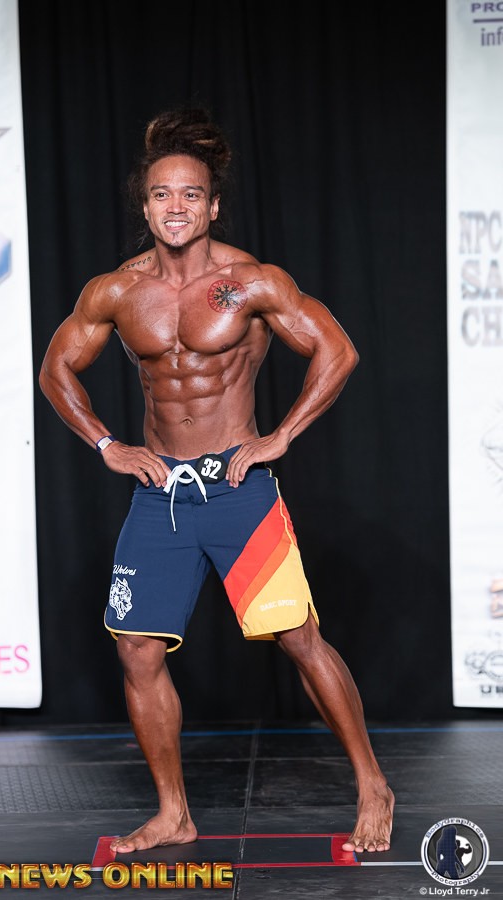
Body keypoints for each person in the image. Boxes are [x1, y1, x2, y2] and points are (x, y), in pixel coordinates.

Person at [39, 109, 395, 855]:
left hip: (238, 491)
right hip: (160, 495)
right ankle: (174, 813)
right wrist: (106, 443)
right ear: (145, 208)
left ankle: (372, 783)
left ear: (212, 206)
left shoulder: (250, 281)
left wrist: (281, 435)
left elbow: (337, 350)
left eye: (191, 195)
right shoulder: (116, 291)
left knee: (299, 638)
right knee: (136, 650)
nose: (176, 207)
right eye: (162, 195)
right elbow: (56, 368)